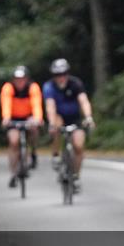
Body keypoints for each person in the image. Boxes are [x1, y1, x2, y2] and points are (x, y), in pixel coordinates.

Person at [42, 59, 95, 192]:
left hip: (75, 118)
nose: (61, 77)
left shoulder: (75, 83)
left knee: (78, 146)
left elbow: (83, 101)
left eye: (64, 74)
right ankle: (55, 154)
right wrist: (52, 124)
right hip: (58, 116)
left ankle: (76, 175)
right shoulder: (49, 86)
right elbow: (50, 106)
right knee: (56, 126)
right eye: (58, 75)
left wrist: (88, 117)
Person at [0, 65, 43, 188]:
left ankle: (33, 151)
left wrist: (37, 118)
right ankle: (13, 173)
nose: (20, 82)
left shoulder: (33, 88)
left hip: (29, 117)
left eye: (22, 79)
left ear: (27, 79)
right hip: (13, 118)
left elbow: (36, 104)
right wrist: (6, 118)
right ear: (13, 80)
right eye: (17, 79)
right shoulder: (8, 88)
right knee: (14, 142)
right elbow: (6, 103)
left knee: (34, 129)